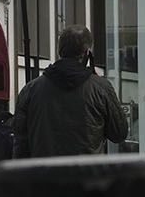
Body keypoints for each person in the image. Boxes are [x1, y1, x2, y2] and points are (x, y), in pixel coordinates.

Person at [13, 25, 128, 159]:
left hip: (44, 177)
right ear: (87, 53)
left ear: (59, 52)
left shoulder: (30, 90)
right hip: (88, 176)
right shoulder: (101, 88)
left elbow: (20, 145)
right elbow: (119, 133)